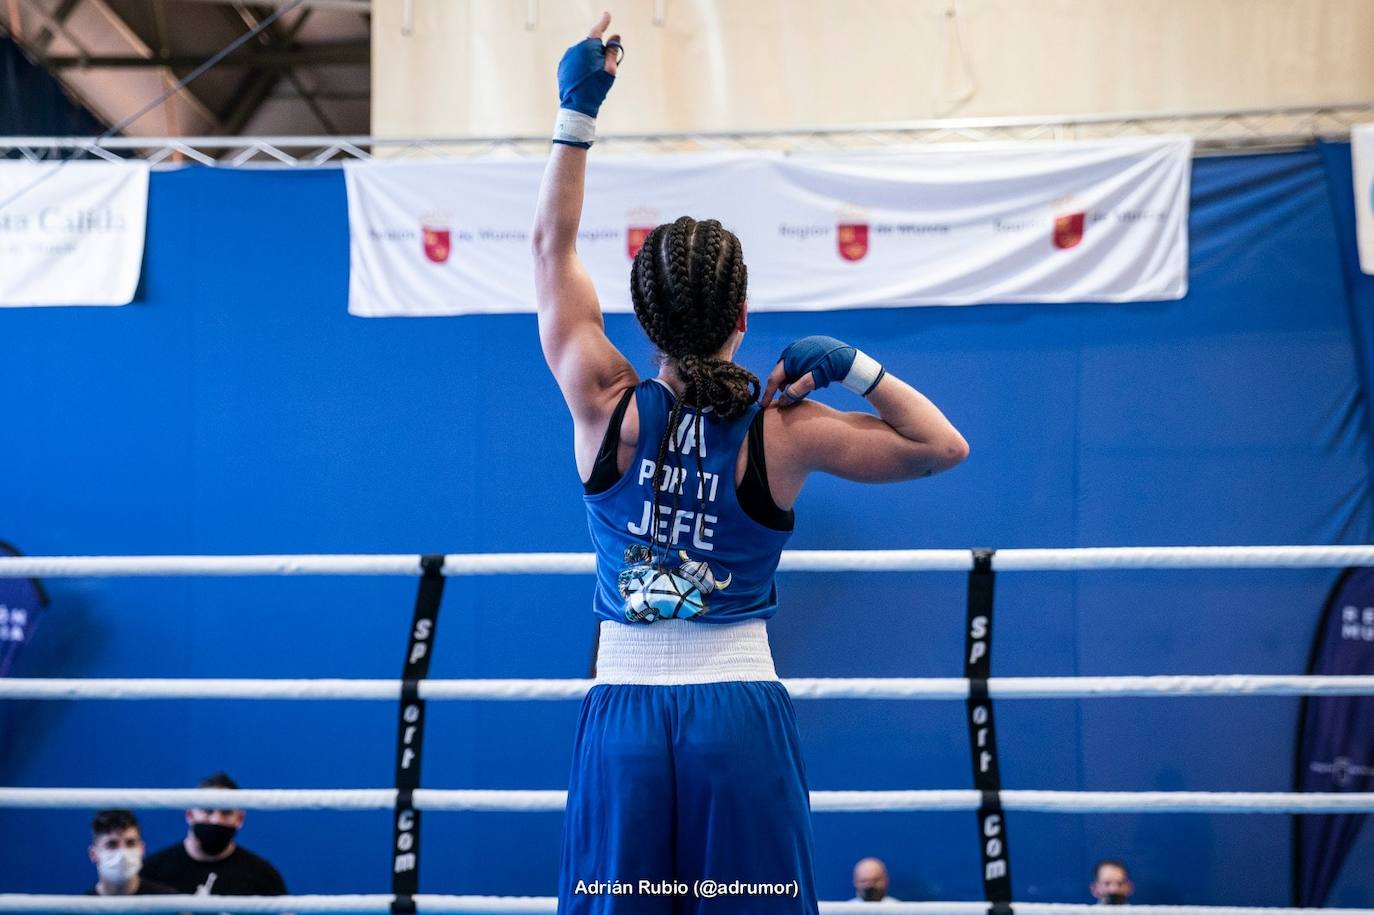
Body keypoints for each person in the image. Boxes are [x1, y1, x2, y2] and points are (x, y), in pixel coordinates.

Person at [533, 13, 968, 914]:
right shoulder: (786, 431)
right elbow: (940, 446)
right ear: (742, 315)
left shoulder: (601, 399)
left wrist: (577, 115)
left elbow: (550, 251)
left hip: (622, 715)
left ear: (644, 322)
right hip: (740, 718)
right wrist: (855, 366)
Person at [142, 772, 287, 896]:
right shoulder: (153, 871)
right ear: (190, 814)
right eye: (207, 810)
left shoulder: (262, 875)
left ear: (240, 819)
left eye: (226, 812)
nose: (216, 820)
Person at [86, 809, 178, 897]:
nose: (122, 854)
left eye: (130, 843)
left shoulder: (170, 904)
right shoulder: (81, 909)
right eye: (112, 845)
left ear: (142, 850)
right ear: (93, 854)